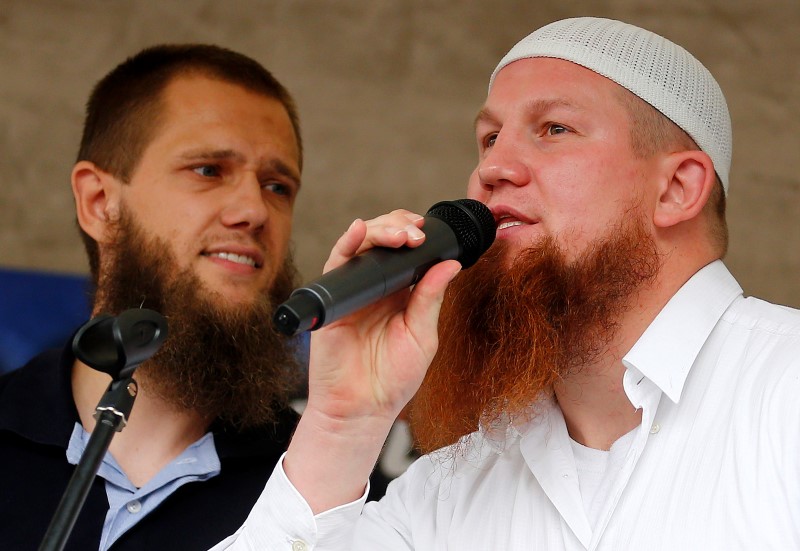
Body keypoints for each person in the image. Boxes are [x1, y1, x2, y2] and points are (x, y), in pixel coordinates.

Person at [213, 16, 800, 550]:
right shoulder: (452, 487)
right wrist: (344, 424)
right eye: (489, 138)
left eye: (554, 129)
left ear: (676, 189)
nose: (493, 169)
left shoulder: (785, 388)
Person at [0, 44, 307, 550]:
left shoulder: (320, 491)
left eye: (277, 187)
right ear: (100, 203)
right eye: (209, 170)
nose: (254, 209)